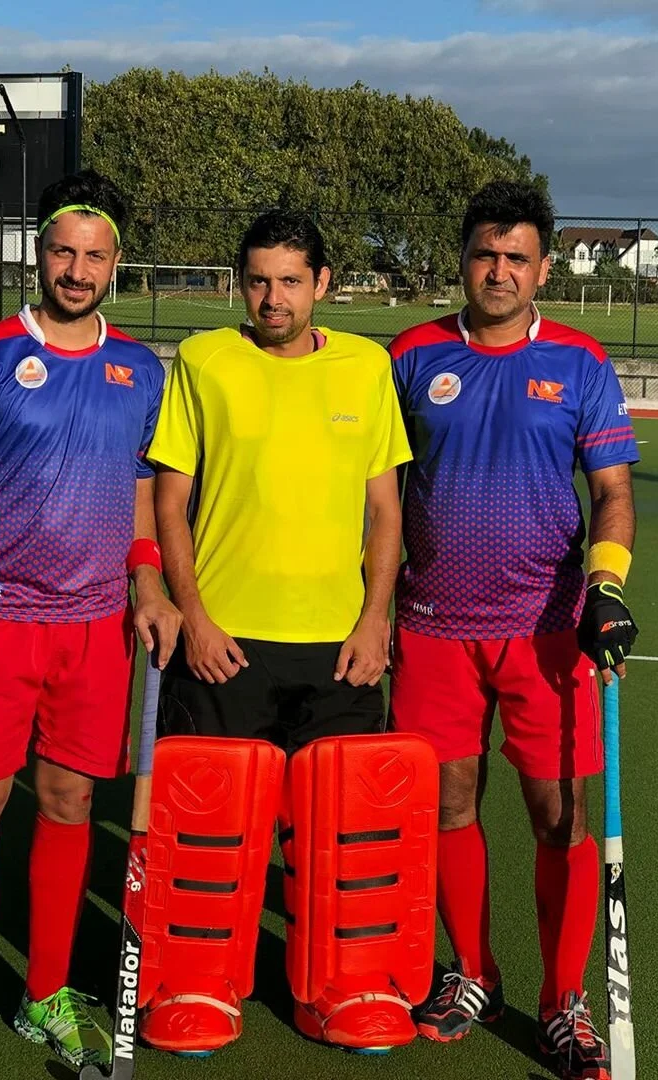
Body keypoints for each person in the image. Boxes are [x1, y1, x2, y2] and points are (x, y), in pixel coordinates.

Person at [0, 170, 181, 1080]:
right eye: (62, 251)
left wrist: (147, 584)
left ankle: (46, 993)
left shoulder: (141, 369)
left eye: (94, 255)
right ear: (38, 252)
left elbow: (142, 497)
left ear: (115, 264)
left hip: (95, 629)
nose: (76, 269)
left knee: (69, 805)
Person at [139, 209, 428, 1055]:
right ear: (241, 282)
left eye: (291, 281)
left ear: (323, 285)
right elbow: (170, 501)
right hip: (224, 643)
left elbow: (385, 511)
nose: (273, 297)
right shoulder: (202, 361)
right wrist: (193, 615)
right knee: (211, 832)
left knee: (345, 834)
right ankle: (199, 985)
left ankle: (341, 986)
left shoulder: (367, 368)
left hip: (340, 644)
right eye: (258, 279)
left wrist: (377, 620)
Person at [387, 180, 640, 1080]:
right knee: (448, 804)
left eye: (517, 258)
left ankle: (562, 1001)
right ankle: (474, 974)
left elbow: (611, 491)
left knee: (561, 818)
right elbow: (375, 494)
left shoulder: (578, 360)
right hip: (430, 628)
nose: (499, 271)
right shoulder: (412, 354)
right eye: (485, 254)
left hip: (549, 629)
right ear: (463, 258)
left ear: (543, 268)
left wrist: (607, 586)